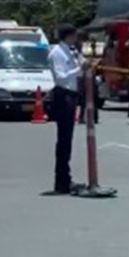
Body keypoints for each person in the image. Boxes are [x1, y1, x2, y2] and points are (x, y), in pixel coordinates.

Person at [48, 23, 87, 194]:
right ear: (68, 36)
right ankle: (61, 181)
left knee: (68, 140)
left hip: (71, 95)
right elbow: (61, 78)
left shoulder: (71, 51)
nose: (76, 39)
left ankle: (66, 178)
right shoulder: (57, 53)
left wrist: (84, 63)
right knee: (63, 140)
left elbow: (80, 67)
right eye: (74, 36)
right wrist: (79, 69)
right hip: (63, 95)